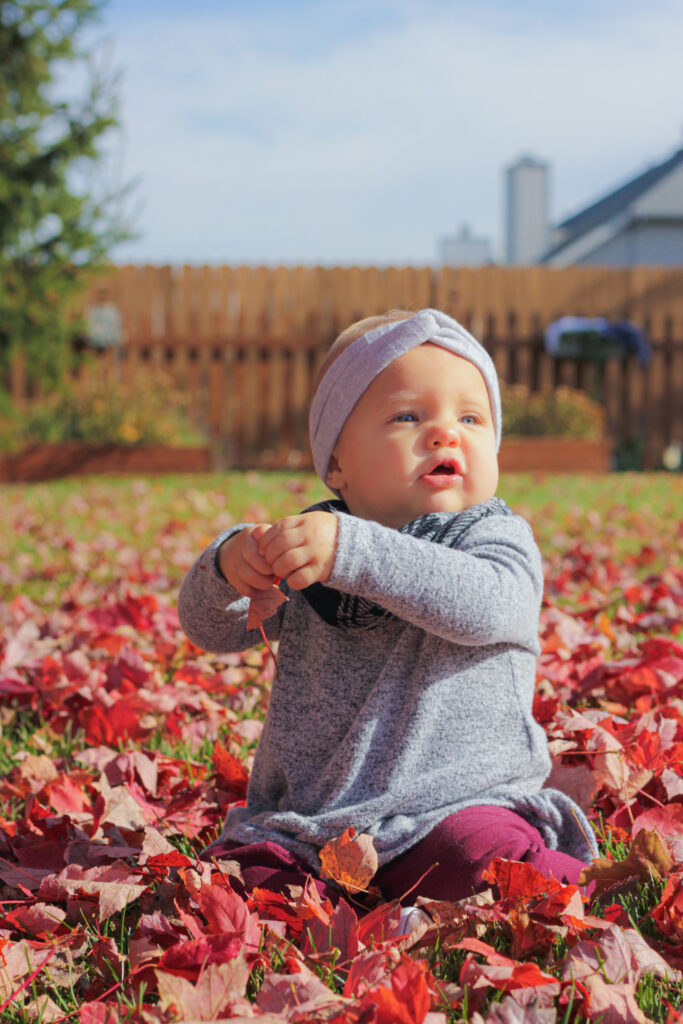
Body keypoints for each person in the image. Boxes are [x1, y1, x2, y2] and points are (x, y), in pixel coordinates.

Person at [178, 307, 597, 906]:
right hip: (318, 819)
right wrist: (229, 567)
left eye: (471, 418)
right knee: (240, 884)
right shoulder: (314, 546)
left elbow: (487, 605)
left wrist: (355, 553)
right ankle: (294, 886)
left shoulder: (492, 538)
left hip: (455, 805)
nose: (445, 433)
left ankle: (562, 885)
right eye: (408, 416)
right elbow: (211, 629)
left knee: (487, 867)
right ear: (338, 462)